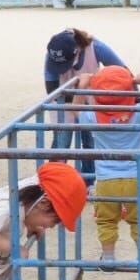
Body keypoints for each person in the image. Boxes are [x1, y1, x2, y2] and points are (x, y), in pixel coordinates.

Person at [73, 66, 140, 270]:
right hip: (137, 177)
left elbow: (74, 110)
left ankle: (108, 258)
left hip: (106, 180)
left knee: (106, 220)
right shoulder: (138, 114)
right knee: (139, 220)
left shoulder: (92, 117)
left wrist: (83, 86)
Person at [44, 28, 127, 183]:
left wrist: (133, 97)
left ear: (78, 49)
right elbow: (51, 90)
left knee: (90, 141)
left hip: (89, 100)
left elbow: (122, 70)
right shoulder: (53, 54)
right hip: (63, 102)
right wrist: (79, 96)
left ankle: (87, 181)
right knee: (61, 143)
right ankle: (52, 184)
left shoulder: (96, 48)